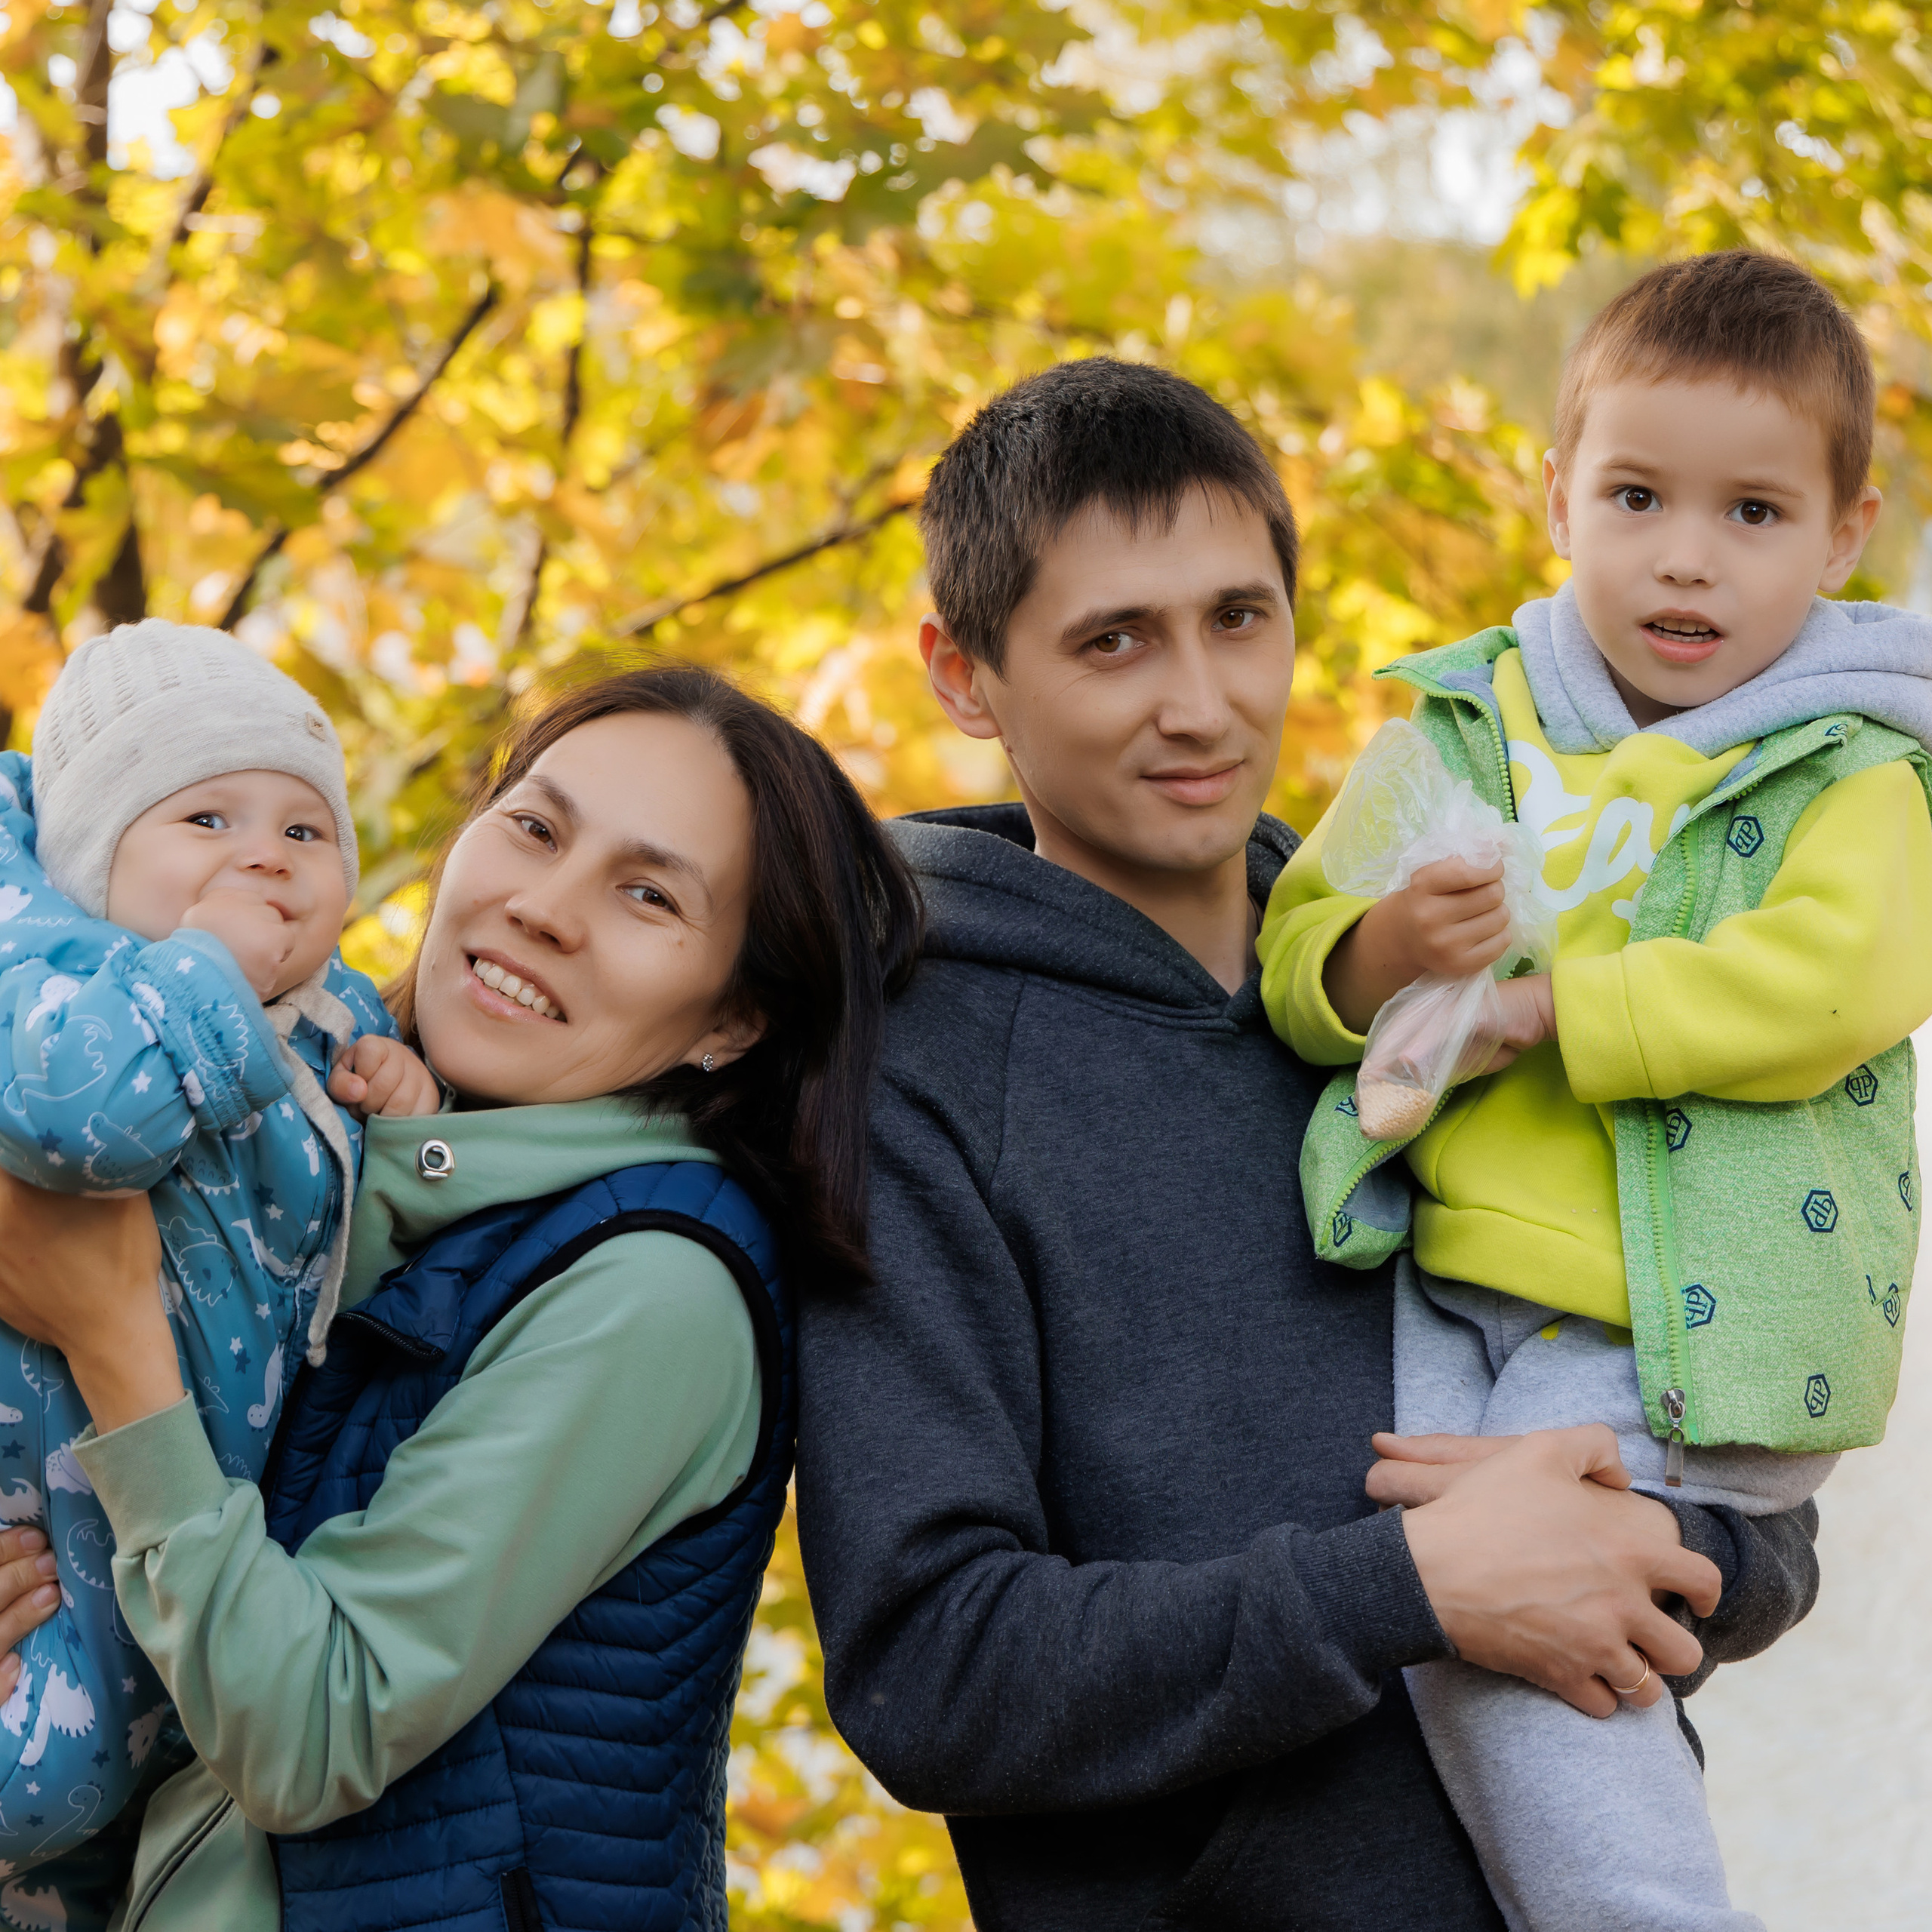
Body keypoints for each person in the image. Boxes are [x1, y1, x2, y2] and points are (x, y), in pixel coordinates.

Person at [795, 356, 1823, 1932]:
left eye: (1235, 617)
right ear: (962, 673)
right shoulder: (909, 1071)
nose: (1197, 702)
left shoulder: (1469, 968)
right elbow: (933, 1668)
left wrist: (1650, 1539)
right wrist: (1407, 1588)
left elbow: (1757, 1486)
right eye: (1111, 640)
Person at [0, 665, 919, 1930]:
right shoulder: (313, 1146)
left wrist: (112, 1338)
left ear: (737, 1019)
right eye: (535, 828)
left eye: (648, 894)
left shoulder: (654, 1290)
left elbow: (307, 1732)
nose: (543, 907)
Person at [1264, 251, 1932, 1929]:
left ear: (1844, 534)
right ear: (1555, 488)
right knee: (1404, 1623)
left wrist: (1557, 1006)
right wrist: (1375, 952)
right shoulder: (1469, 722)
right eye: (1634, 495)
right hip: (1433, 1288)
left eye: (1753, 513)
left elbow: (1833, 982)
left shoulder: (1850, 761)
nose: (1684, 556)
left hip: (1665, 1324)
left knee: (1521, 1653)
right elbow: (1296, 946)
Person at [0, 621, 433, 1881]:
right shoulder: (55, 998)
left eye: (305, 833)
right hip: (51, 1492)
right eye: (205, 822)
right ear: (91, 860)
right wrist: (211, 975)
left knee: (132, 1827)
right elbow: (88, 1126)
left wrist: (397, 1110)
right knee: (46, 1793)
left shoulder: (320, 1020)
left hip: (190, 1514)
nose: (264, 860)